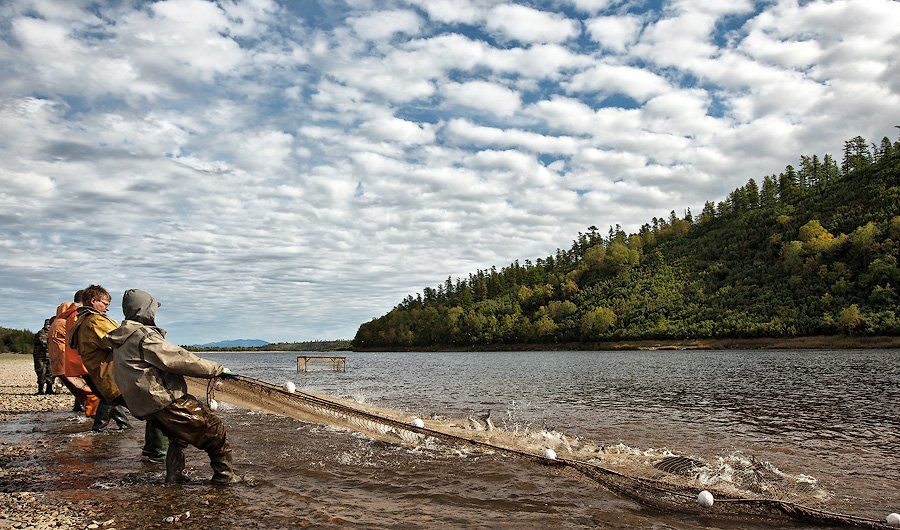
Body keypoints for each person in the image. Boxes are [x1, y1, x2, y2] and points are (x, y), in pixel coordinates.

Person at [106, 289, 240, 485]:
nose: (155, 313)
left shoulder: (121, 338)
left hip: (143, 404)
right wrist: (216, 369)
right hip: (162, 398)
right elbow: (177, 359)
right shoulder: (143, 336)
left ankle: (174, 476)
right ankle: (224, 477)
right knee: (214, 431)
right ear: (145, 310)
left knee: (178, 437)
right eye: (153, 309)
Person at [71, 285, 130, 431]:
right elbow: (120, 339)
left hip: (100, 374)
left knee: (109, 400)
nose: (107, 308)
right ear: (93, 301)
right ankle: (155, 450)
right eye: (105, 304)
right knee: (152, 409)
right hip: (109, 375)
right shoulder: (95, 321)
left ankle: (101, 429)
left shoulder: (83, 320)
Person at [48, 297, 100, 417]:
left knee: (82, 393)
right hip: (68, 365)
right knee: (92, 394)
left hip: (60, 366)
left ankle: (93, 418)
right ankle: (104, 423)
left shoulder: (56, 323)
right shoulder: (66, 324)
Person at [32, 319, 53, 394]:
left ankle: (49, 390)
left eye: (50, 325)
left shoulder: (52, 333)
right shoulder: (41, 333)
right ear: (45, 325)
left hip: (50, 357)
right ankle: (40, 390)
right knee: (41, 373)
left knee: (50, 373)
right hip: (40, 357)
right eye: (48, 325)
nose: (49, 326)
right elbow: (44, 344)